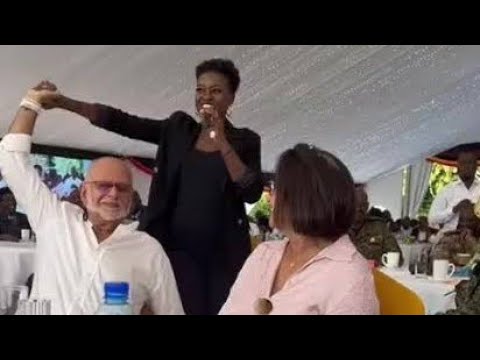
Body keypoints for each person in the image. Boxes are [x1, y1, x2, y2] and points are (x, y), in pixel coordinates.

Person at [32, 59, 263, 315]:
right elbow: (124, 122)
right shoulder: (178, 129)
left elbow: (252, 191)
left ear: (231, 98)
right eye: (200, 89)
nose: (206, 97)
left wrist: (221, 142)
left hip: (220, 256)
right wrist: (65, 102)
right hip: (173, 251)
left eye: (216, 90)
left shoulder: (246, 141)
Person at [0, 82, 184, 315]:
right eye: (103, 186)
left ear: (132, 199)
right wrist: (32, 103)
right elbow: (11, 159)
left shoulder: (148, 250)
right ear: (84, 193)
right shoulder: (55, 220)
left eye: (122, 188)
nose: (113, 193)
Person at [219, 144, 379, 315]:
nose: (270, 199)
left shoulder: (350, 277)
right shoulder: (264, 253)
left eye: (275, 188)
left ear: (302, 199)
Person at [349, 185, 403, 267]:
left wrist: (377, 263)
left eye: (363, 205)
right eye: (356, 205)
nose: (359, 209)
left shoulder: (379, 227)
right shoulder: (338, 228)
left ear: (367, 206)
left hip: (373, 276)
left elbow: (397, 257)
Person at [429, 151, 480, 232]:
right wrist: (453, 210)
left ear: (476, 165)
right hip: (451, 238)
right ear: (458, 166)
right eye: (463, 163)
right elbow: (432, 218)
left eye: (470, 162)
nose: (466, 166)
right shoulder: (447, 190)